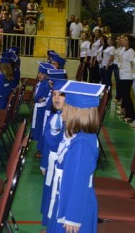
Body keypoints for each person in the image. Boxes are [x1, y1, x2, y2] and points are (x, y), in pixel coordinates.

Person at [46, 80, 104, 233]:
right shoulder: (75, 135)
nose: (62, 110)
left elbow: (79, 180)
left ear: (75, 112)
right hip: (66, 195)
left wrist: (72, 216)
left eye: (65, 107)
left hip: (76, 207)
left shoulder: (82, 143)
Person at [40, 78, 67, 228]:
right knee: (48, 195)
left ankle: (51, 227)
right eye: (54, 94)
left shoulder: (65, 120)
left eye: (61, 95)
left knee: (54, 199)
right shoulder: (55, 116)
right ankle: (48, 225)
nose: (56, 98)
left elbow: (56, 146)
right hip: (50, 162)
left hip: (58, 165)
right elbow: (46, 147)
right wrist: (44, 163)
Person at [119, 34, 135, 122]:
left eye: (126, 40)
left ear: (130, 42)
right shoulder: (125, 50)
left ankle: (131, 115)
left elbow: (132, 64)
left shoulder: (131, 51)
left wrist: (133, 75)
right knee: (124, 96)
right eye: (124, 40)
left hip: (128, 76)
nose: (124, 41)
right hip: (122, 75)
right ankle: (126, 113)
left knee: (126, 96)